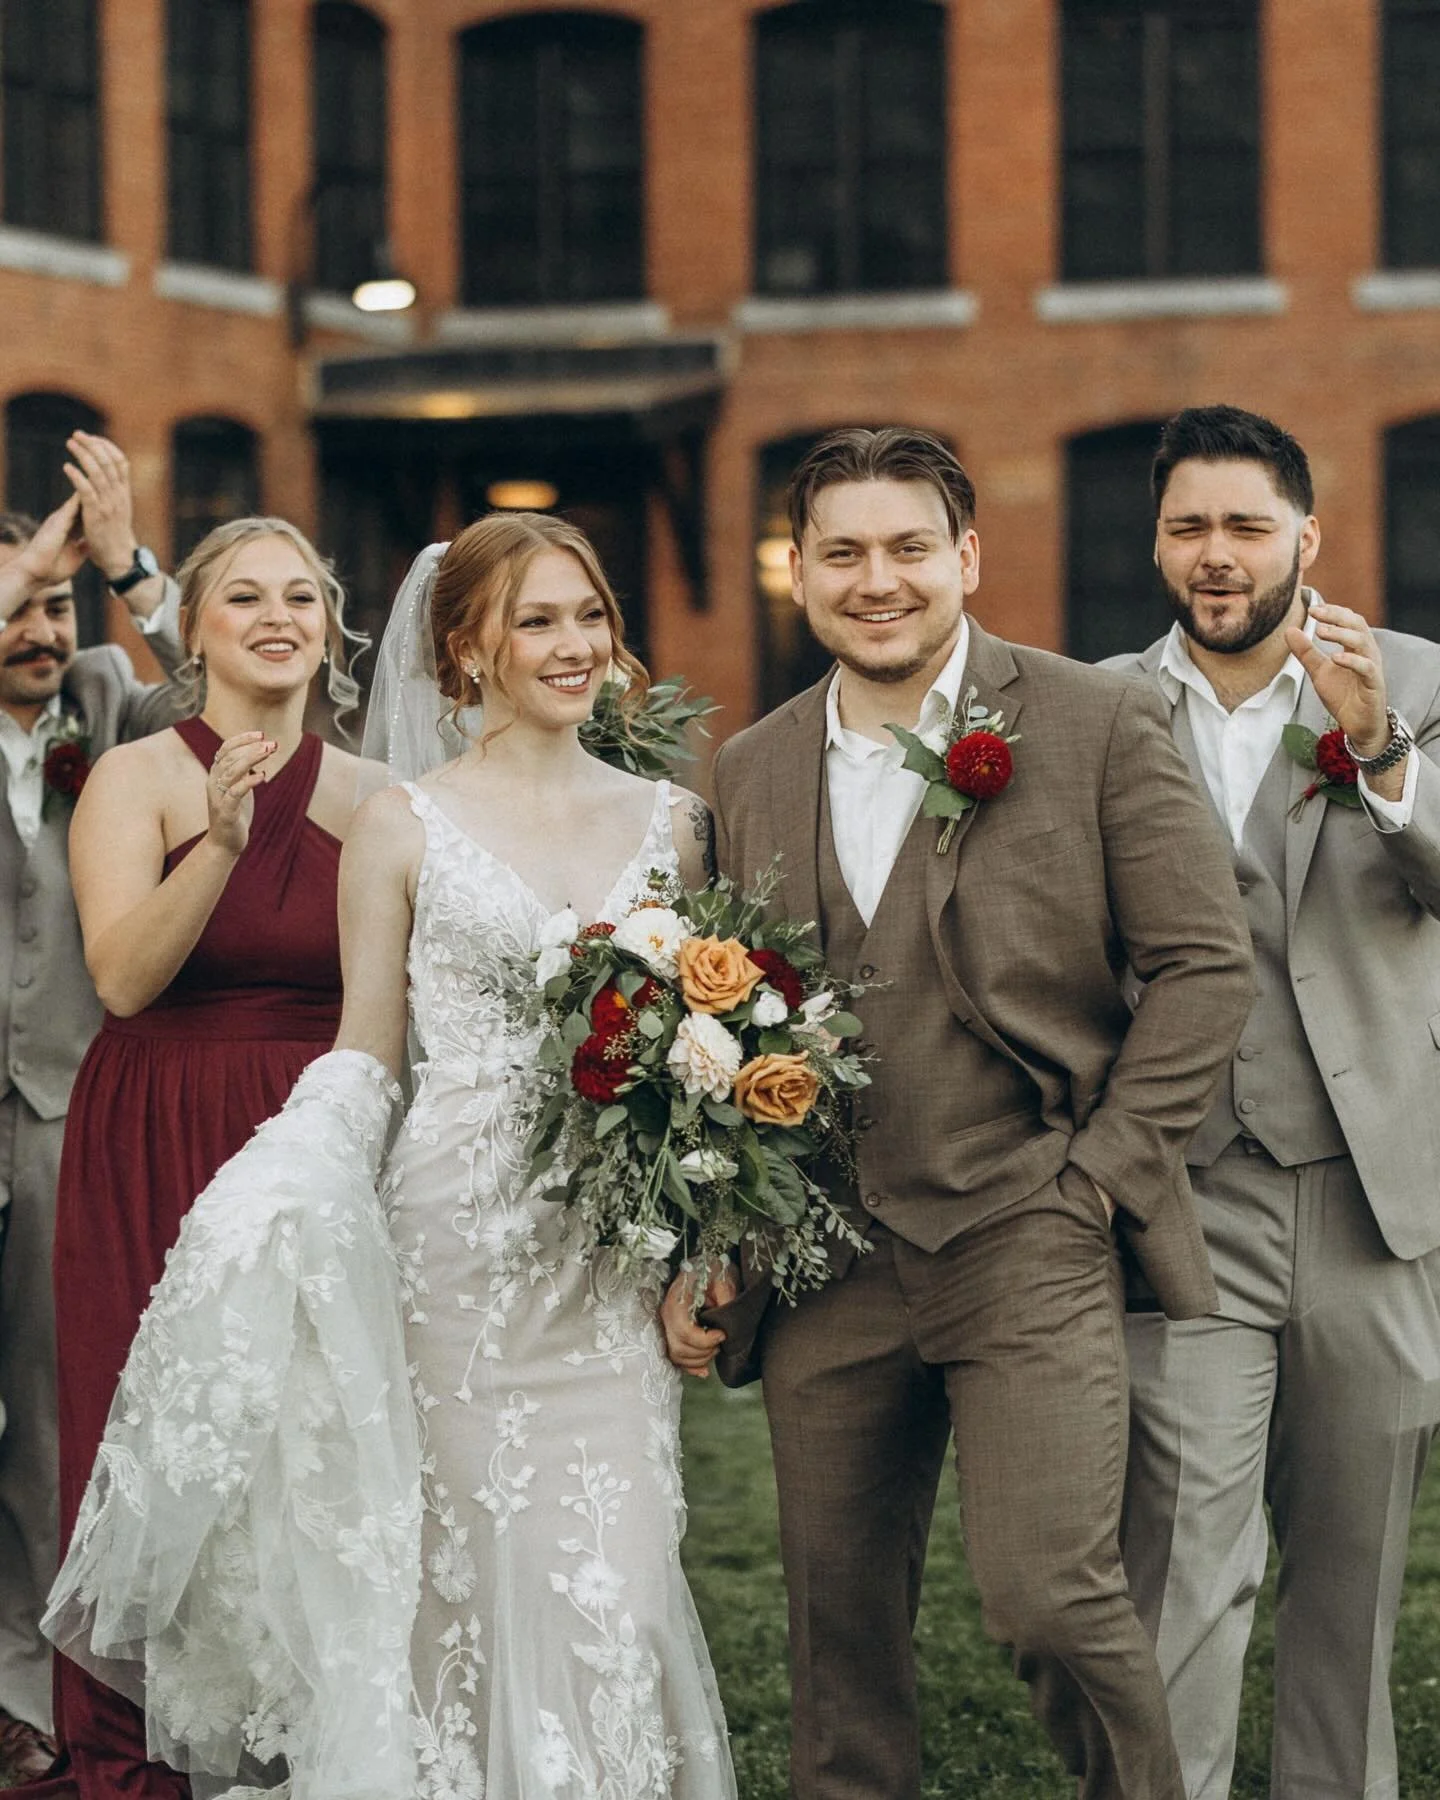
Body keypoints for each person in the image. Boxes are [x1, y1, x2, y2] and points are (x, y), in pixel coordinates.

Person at [41, 512, 736, 1800]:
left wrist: (704, 1244)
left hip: (597, 1274)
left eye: (591, 616)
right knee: (445, 1599)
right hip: (451, 1267)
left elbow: (707, 1066)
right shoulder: (402, 824)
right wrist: (272, 1188)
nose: (576, 642)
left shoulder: (681, 825)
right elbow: (366, 1050)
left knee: (611, 1576)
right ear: (467, 648)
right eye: (539, 619)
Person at [662, 426, 1254, 1800]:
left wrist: (1095, 1177)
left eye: (911, 549)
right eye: (846, 553)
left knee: (1051, 1594)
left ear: (967, 559)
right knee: (837, 1632)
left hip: (1027, 1228)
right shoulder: (746, 770)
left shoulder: (1097, 722)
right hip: (826, 1256)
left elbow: (1203, 966)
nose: (882, 581)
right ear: (795, 570)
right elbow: (728, 1013)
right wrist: (724, 1229)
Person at [1108, 404, 1440, 1800]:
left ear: (1308, 535)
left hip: (1376, 1205)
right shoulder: (1095, 706)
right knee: (1179, 1573)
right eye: (1190, 527)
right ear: (1159, 543)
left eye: (1246, 526)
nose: (1217, 554)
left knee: (1352, 1590)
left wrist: (1378, 754)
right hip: (1189, 1200)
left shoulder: (1418, 679)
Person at [19, 515, 371, 1800]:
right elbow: (119, 979)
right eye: (243, 597)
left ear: (329, 627)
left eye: (300, 596)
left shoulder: (379, 795)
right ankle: (134, 1755)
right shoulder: (137, 777)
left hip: (318, 1137)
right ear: (198, 628)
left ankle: (298, 1743)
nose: (276, 617)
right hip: (156, 1131)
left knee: (306, 1447)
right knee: (149, 1440)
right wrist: (218, 840)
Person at [0, 433, 190, 1785]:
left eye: (49, 605)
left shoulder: (107, 703)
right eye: (15, 604)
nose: (37, 628)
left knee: (54, 1423)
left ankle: (27, 1691)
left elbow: (228, 692)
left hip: (67, 1120)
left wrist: (127, 569)